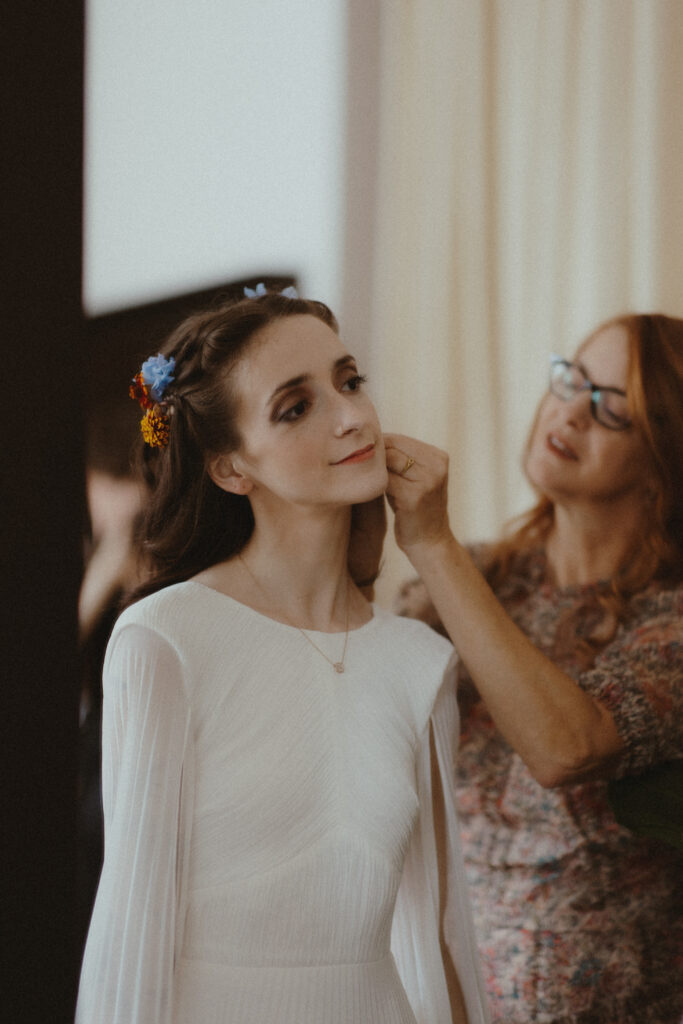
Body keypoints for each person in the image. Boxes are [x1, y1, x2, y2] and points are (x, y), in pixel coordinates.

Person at [75, 287, 490, 1024]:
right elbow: (129, 935)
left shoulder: (415, 662)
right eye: (295, 406)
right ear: (232, 468)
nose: (352, 416)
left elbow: (435, 935)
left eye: (349, 380)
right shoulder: (166, 639)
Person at [385, 313, 683, 1024]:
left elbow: (566, 748)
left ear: (663, 459)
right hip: (444, 1001)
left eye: (611, 405)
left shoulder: (667, 622)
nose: (570, 411)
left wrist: (429, 541)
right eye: (571, 378)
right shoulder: (469, 582)